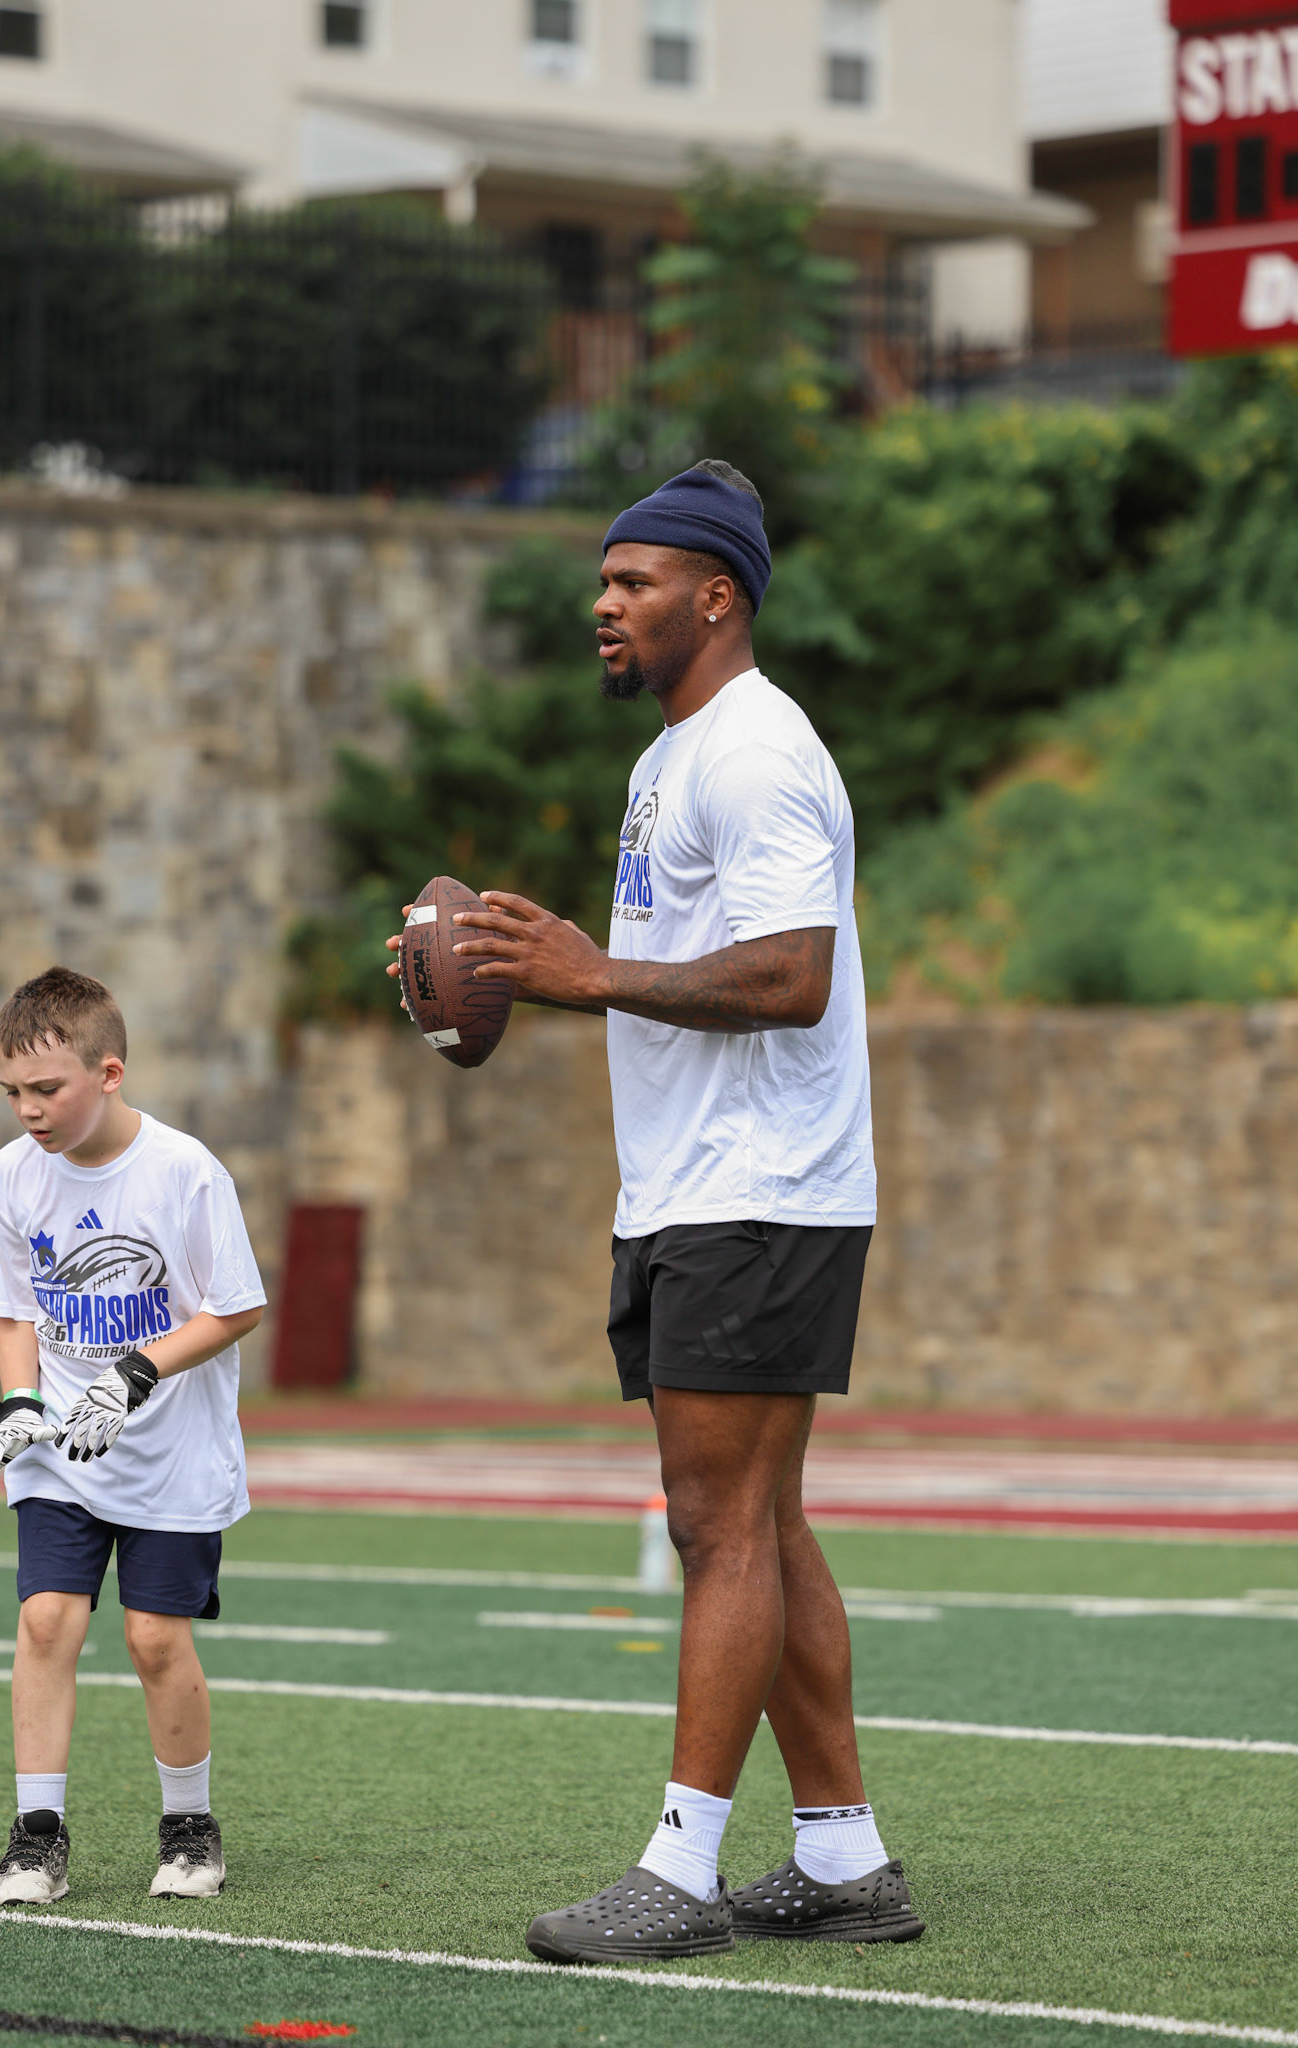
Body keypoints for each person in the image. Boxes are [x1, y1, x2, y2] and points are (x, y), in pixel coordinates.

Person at [409, 461, 923, 1959]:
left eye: (632, 582)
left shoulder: (754, 750)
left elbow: (791, 974)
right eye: (602, 580)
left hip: (757, 1192)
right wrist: (528, 971)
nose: (603, 603)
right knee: (758, 1519)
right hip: (699, 1188)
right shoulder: (668, 758)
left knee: (717, 1525)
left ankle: (679, 1871)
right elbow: (676, 962)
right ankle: (841, 1858)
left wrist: (588, 974)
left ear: (715, 596)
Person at [0, 965, 266, 1907]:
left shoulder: (184, 1171)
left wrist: (134, 1373)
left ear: (109, 1073)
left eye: (46, 1088)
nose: (28, 1110)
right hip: (64, 1451)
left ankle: (189, 1826)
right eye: (12, 1091)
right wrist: (20, 1404)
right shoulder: (11, 1174)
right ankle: (36, 1837)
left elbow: (237, 1308)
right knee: (45, 1621)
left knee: (153, 1640)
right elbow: (15, 1310)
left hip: (173, 1452)